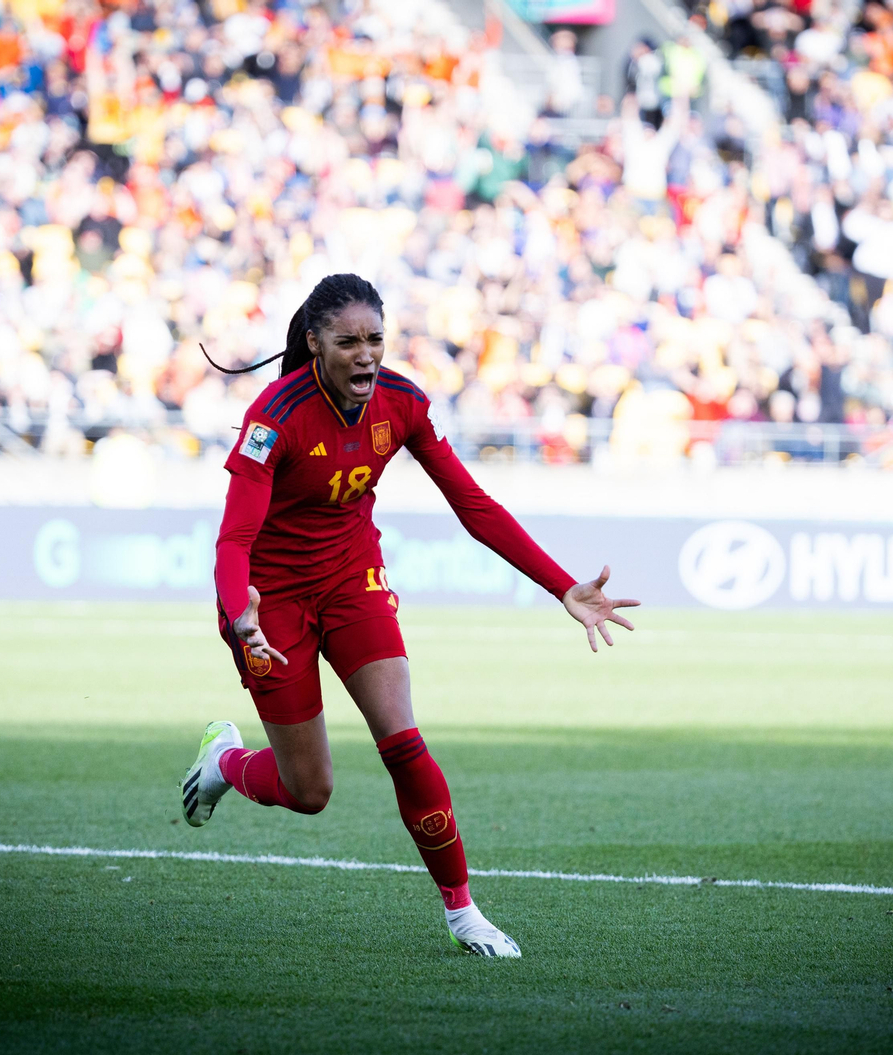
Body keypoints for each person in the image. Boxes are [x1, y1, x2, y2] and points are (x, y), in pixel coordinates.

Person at [181, 273, 639, 958]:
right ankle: (224, 759)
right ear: (315, 344)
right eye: (348, 342)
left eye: (375, 340)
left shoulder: (404, 401)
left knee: (403, 740)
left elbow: (474, 506)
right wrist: (238, 607)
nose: (365, 355)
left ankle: (463, 912)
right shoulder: (273, 417)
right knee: (310, 791)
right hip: (268, 600)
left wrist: (559, 586)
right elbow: (233, 540)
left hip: (351, 581)